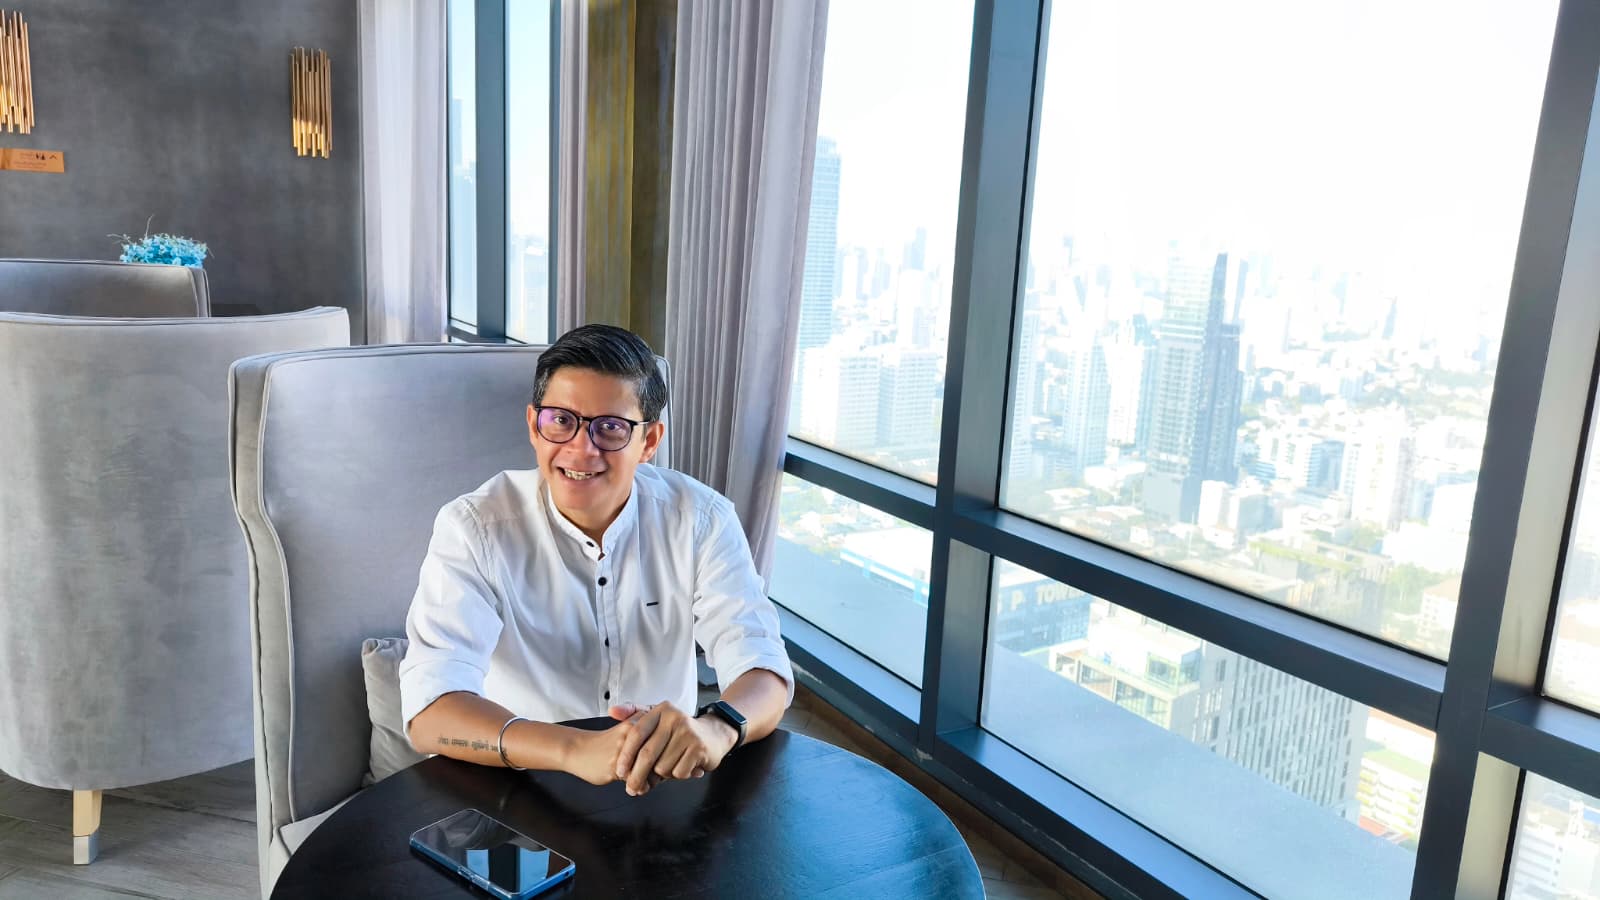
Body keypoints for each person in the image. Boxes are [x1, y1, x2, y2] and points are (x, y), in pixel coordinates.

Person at [400, 324, 793, 797]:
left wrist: (718, 726)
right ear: (534, 425)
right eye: (560, 421)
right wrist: (575, 750)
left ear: (649, 443)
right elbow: (428, 710)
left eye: (610, 428)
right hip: (522, 786)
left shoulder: (701, 519)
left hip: (663, 784)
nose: (580, 449)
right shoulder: (475, 527)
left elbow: (764, 668)